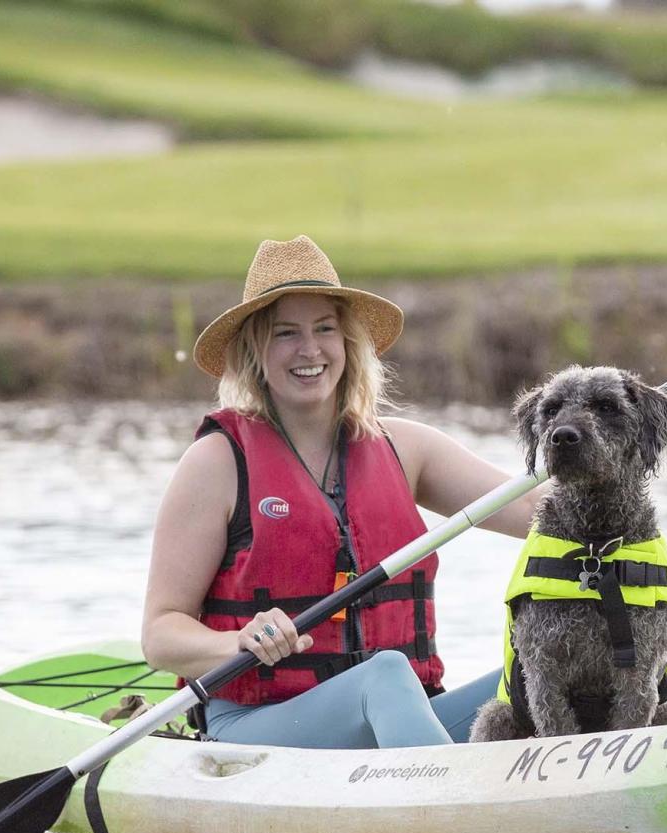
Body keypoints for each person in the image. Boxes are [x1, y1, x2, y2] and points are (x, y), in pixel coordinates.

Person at [142, 235, 542, 749]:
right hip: (257, 728)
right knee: (385, 674)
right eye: (286, 333)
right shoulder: (216, 463)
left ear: (348, 343)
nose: (309, 350)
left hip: (392, 724)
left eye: (324, 329)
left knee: (539, 675)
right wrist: (236, 641)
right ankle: (453, 809)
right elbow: (160, 635)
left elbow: (538, 512)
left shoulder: (407, 448)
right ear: (252, 352)